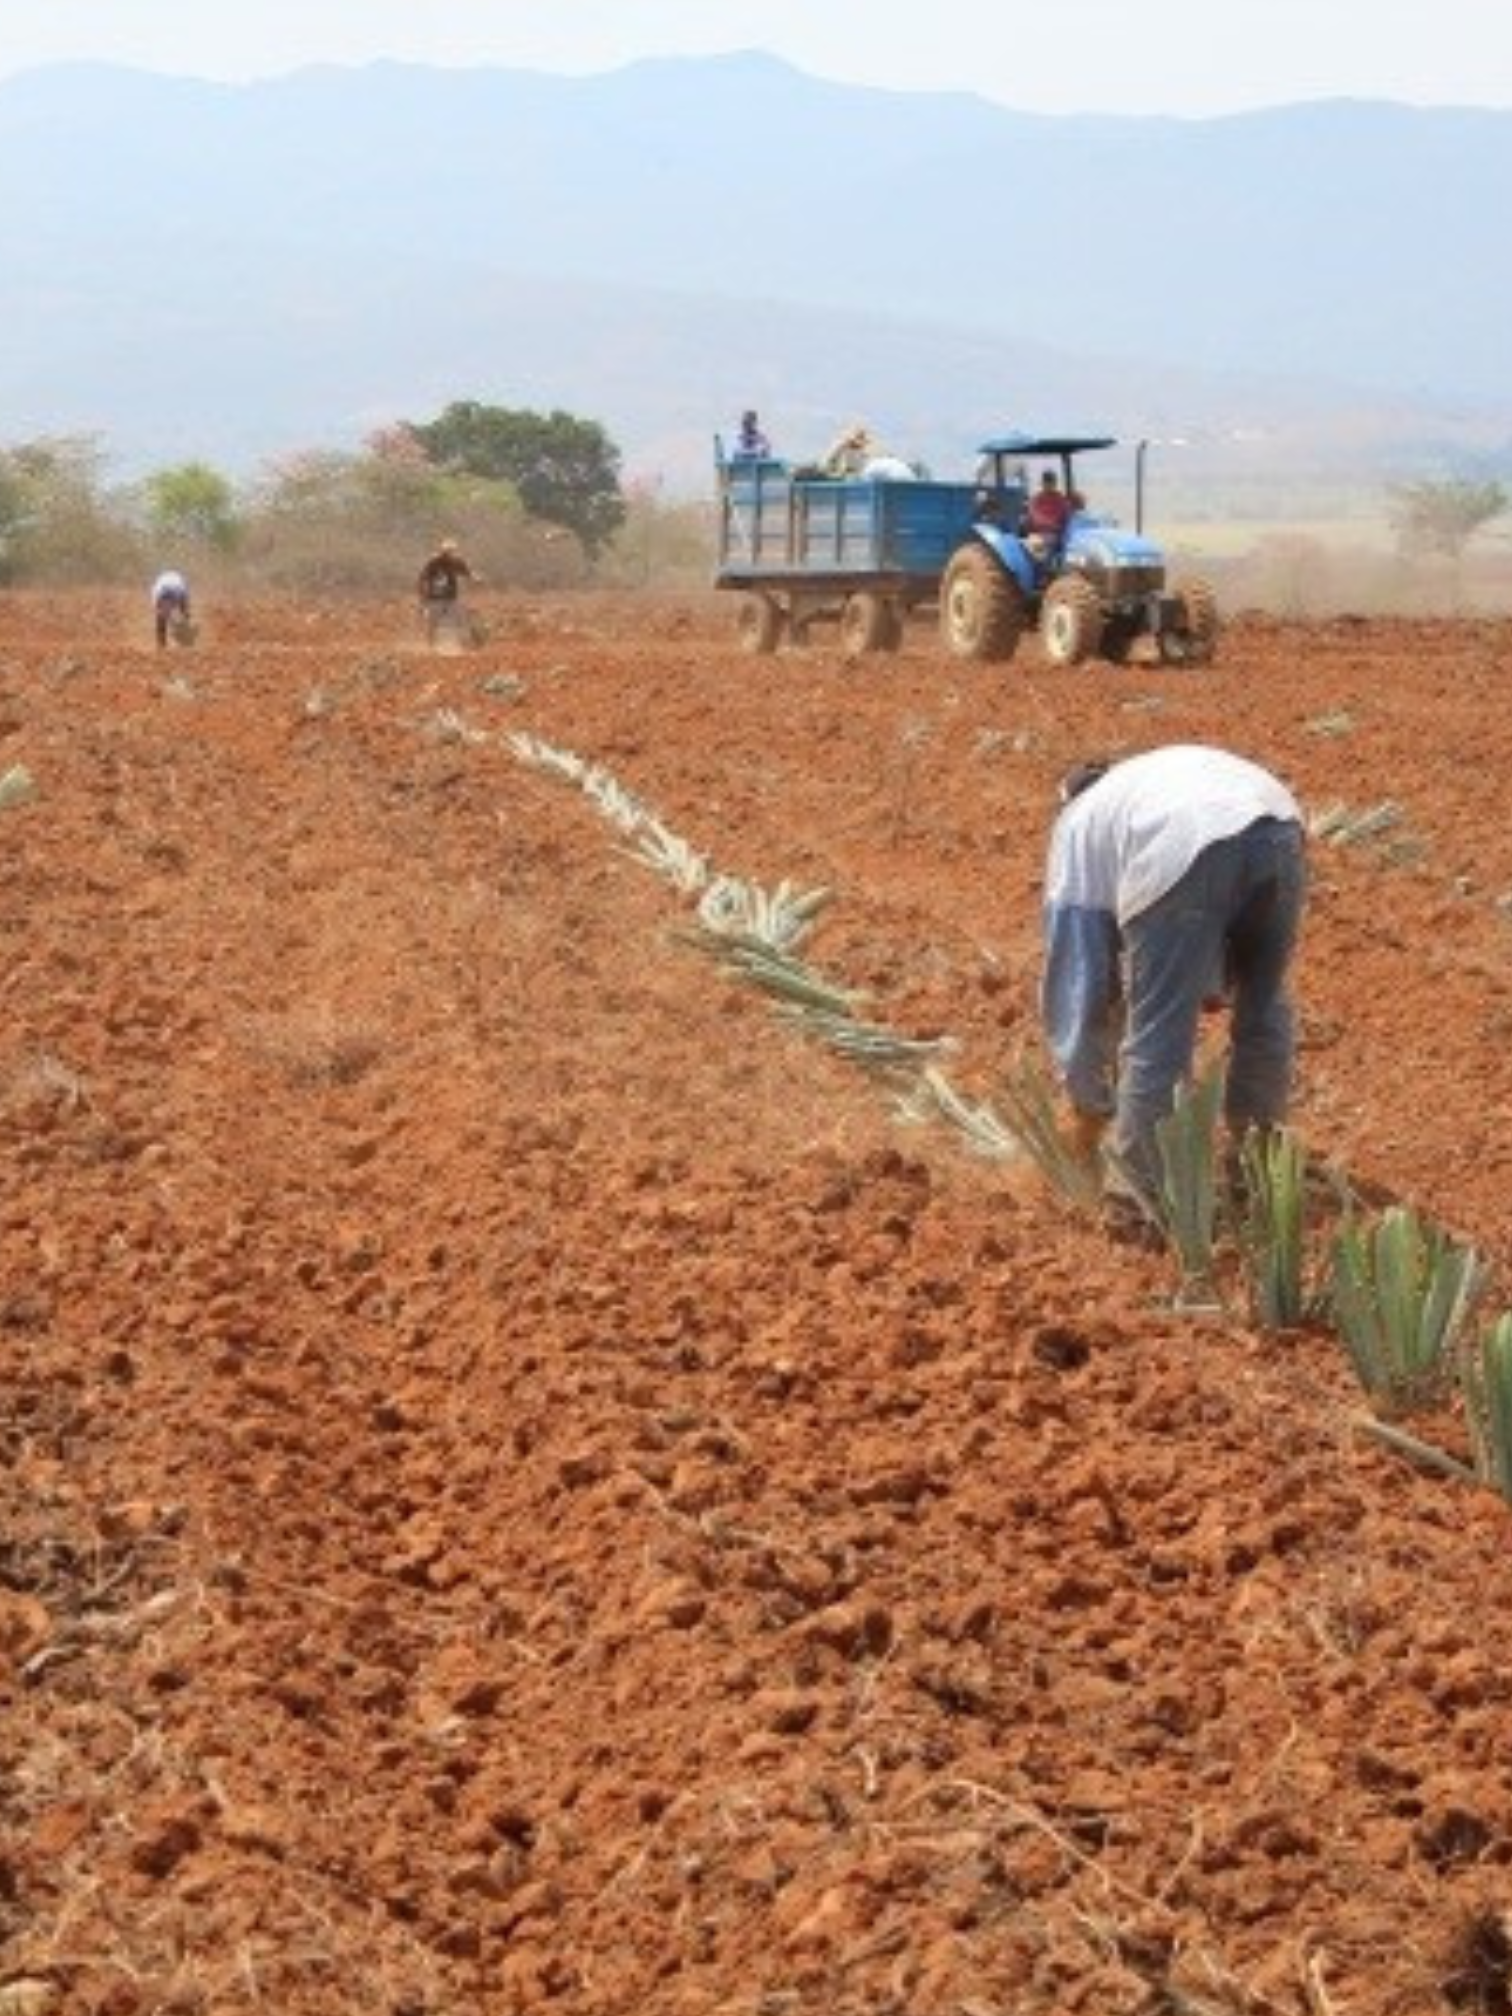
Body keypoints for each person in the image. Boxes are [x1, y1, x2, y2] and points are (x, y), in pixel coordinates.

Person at [1040, 744, 1307, 1212]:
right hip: (1280, 827)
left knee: (1158, 1033)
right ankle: (1259, 1171)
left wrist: (1087, 1101)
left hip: (1181, 846)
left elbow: (1079, 985)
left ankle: (1138, 1199)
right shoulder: (1142, 784)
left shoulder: (1077, 829)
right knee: (1263, 1006)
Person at [416, 537, 478, 645]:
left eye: (451, 552)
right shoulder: (433, 562)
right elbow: (422, 579)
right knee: (433, 623)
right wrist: (423, 600)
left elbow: (467, 572)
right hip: (434, 597)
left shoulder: (457, 561)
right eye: (446, 552)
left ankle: (463, 642)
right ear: (442, 551)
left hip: (451, 596)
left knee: (460, 619)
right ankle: (432, 645)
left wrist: (475, 578)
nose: (448, 555)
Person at [1025, 469, 1073, 543]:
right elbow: (1031, 517)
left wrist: (1052, 526)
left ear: (1055, 483)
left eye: (1051, 482)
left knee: (1039, 543)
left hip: (1053, 535)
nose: (1049, 485)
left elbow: (1065, 520)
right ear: (1042, 483)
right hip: (1036, 534)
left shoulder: (1061, 501)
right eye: (1046, 482)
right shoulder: (1036, 499)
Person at [150, 568, 192, 649]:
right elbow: (158, 612)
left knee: (184, 614)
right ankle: (161, 644)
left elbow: (186, 610)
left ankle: (184, 638)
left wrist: (184, 618)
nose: (167, 608)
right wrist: (164, 616)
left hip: (177, 582)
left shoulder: (181, 591)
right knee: (160, 619)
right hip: (164, 581)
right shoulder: (156, 594)